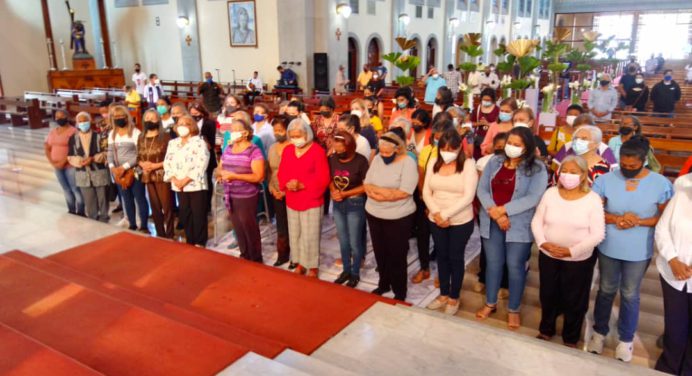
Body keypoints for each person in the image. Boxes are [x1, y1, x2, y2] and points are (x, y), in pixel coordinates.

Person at [586, 136, 674, 362]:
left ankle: (626, 339)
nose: (627, 169)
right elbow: (593, 210)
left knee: (629, 293)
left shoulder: (660, 183)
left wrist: (638, 221)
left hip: (638, 249)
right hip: (610, 245)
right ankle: (599, 332)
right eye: (623, 165)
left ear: (644, 161)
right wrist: (617, 219)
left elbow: (665, 216)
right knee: (605, 290)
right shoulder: (606, 179)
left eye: (632, 166)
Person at [475, 127, 548, 329]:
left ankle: (513, 309)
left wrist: (504, 211)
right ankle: (491, 303)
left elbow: (533, 197)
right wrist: (496, 213)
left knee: (515, 267)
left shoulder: (537, 168)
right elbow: (482, 188)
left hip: (519, 224)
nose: (511, 147)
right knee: (493, 264)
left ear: (527, 147)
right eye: (510, 143)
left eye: (517, 145)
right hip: (492, 221)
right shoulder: (495, 161)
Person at [532, 155, 605, 347]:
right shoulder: (550, 193)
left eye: (573, 172)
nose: (567, 175)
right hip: (548, 254)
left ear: (583, 176)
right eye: (564, 171)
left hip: (578, 259)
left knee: (575, 299)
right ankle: (546, 329)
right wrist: (542, 243)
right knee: (548, 293)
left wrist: (571, 251)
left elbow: (598, 234)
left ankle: (571, 337)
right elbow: (537, 221)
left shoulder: (592, 199)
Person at [423, 128, 478, 315]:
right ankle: (444, 293)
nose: (447, 152)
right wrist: (437, 213)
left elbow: (468, 196)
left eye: (451, 149)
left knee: (455, 257)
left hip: (460, 220)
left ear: (458, 149)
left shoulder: (468, 164)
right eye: (443, 148)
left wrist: (446, 215)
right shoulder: (433, 162)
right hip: (436, 218)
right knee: (442, 257)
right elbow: (426, 192)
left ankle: (454, 297)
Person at [364, 130, 418, 301]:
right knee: (380, 252)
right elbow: (367, 183)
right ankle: (383, 284)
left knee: (397, 254)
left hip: (398, 217)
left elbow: (404, 191)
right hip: (374, 213)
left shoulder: (408, 162)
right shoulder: (378, 159)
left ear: (397, 149)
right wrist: (383, 193)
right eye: (382, 151)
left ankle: (399, 291)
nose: (384, 155)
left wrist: (380, 193)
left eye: (388, 152)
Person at [277, 119, 330, 277]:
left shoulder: (317, 151)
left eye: (298, 135)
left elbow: (323, 177)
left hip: (311, 199)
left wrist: (302, 185)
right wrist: (287, 183)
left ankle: (312, 266)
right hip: (292, 198)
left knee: (310, 234)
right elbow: (282, 172)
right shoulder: (288, 150)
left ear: (307, 134)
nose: (295, 139)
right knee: (295, 233)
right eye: (292, 136)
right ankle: (299, 262)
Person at [654, 172, 692, 375]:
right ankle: (668, 367)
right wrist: (673, 259)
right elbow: (662, 229)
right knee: (675, 326)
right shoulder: (681, 196)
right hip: (672, 274)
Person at [217, 118, 265, 262]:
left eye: (237, 129)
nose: (233, 132)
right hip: (230, 193)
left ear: (245, 132)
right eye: (232, 129)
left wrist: (235, 176)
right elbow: (221, 166)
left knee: (248, 226)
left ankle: (255, 257)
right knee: (238, 226)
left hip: (246, 195)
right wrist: (220, 174)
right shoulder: (228, 148)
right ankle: (244, 254)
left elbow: (258, 176)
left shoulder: (253, 150)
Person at [330, 131, 369, 287]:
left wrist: (345, 193)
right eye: (336, 148)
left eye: (341, 149)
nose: (338, 152)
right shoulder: (333, 159)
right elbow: (330, 179)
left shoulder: (361, 161)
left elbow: (366, 186)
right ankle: (346, 270)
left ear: (350, 147)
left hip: (355, 203)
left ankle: (355, 273)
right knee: (343, 240)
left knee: (354, 241)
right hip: (339, 203)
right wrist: (334, 191)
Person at [164, 115, 210, 246]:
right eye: (180, 123)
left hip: (195, 184)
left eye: (186, 123)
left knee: (198, 213)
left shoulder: (199, 142)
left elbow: (201, 163)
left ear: (192, 126)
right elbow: (167, 162)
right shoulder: (173, 143)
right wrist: (174, 178)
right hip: (178, 184)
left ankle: (200, 241)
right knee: (185, 213)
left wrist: (186, 180)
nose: (182, 126)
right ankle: (190, 240)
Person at [107, 105, 149, 232]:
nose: (119, 119)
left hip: (134, 171)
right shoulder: (112, 134)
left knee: (140, 198)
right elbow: (109, 152)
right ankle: (132, 224)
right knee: (126, 199)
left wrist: (124, 167)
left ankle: (144, 225)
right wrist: (112, 167)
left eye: (122, 116)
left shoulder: (135, 132)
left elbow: (139, 154)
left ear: (127, 117)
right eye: (116, 117)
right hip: (119, 173)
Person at [137, 109, 174, 238]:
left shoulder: (165, 137)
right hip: (147, 175)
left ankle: (169, 234)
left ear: (158, 120)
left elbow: (171, 157)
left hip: (162, 175)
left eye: (152, 118)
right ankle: (160, 234)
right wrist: (142, 164)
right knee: (155, 207)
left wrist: (155, 165)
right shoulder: (141, 137)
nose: (149, 121)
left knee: (167, 206)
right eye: (146, 118)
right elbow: (138, 156)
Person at [67, 111, 109, 222]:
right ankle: (93, 218)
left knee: (102, 197)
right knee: (89, 199)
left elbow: (106, 153)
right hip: (83, 173)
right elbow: (70, 156)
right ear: (77, 123)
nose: (83, 123)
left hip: (98, 171)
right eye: (80, 121)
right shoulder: (73, 138)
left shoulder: (99, 136)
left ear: (90, 121)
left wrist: (93, 159)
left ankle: (104, 217)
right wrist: (80, 161)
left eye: (85, 121)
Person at [45, 109, 85, 216]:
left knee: (75, 188)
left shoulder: (73, 131)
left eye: (61, 116)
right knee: (66, 189)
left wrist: (63, 161)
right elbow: (47, 147)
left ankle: (81, 211)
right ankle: (71, 210)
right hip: (56, 165)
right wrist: (52, 162)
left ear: (67, 117)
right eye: (57, 117)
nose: (59, 119)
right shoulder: (53, 131)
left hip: (70, 165)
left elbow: (75, 149)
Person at [552, 114, 617, 172]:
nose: (580, 133)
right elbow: (558, 171)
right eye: (577, 130)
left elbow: (610, 173)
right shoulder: (567, 146)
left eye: (585, 130)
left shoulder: (604, 149)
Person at [267, 116, 292, 267]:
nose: (278, 133)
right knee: (281, 225)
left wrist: (285, 191)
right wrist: (272, 188)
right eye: (275, 130)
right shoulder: (272, 148)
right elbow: (270, 171)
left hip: (291, 191)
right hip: (276, 190)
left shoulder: (293, 147)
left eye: (281, 130)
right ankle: (282, 254)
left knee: (294, 226)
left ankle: (297, 256)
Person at [188, 102, 218, 212]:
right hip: (193, 156)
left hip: (207, 155)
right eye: (192, 113)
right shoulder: (189, 123)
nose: (194, 115)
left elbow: (211, 142)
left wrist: (202, 138)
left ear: (202, 112)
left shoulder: (209, 123)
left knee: (207, 181)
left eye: (196, 113)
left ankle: (207, 206)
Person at [471, 88, 500, 160]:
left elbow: (499, 125)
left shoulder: (497, 110)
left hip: (490, 140)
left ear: (493, 100)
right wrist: (479, 123)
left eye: (488, 100)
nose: (485, 102)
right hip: (478, 139)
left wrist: (488, 124)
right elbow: (471, 123)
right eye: (484, 100)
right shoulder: (477, 108)